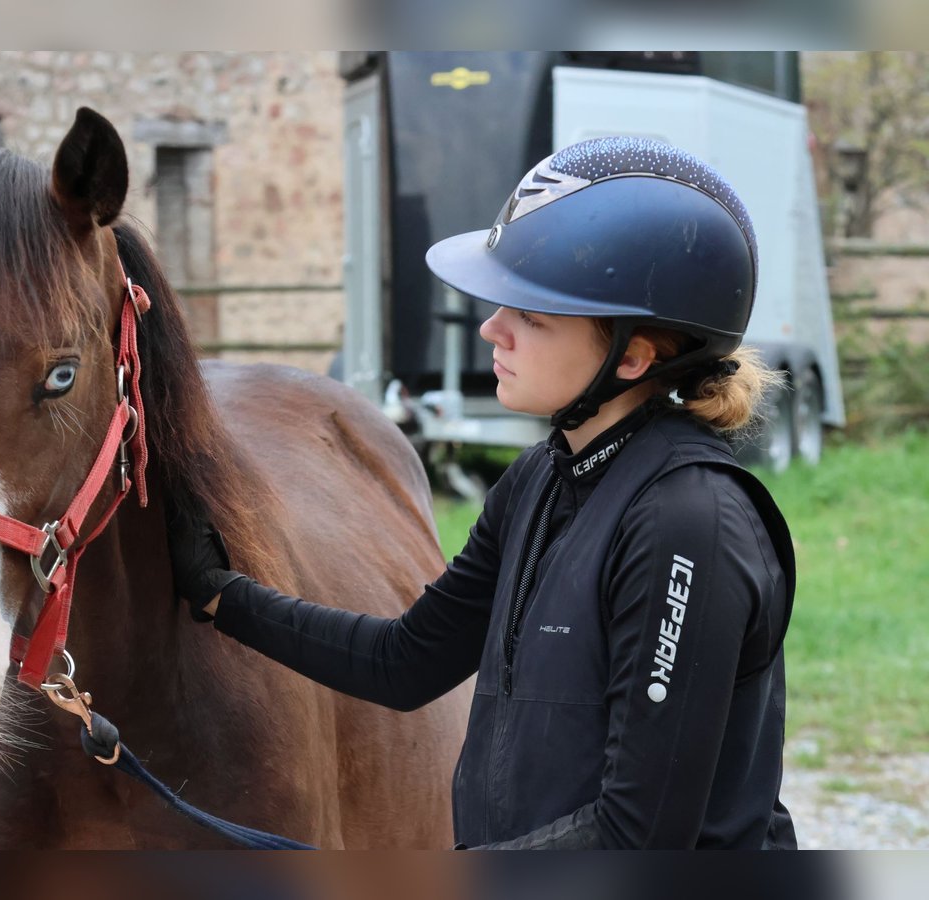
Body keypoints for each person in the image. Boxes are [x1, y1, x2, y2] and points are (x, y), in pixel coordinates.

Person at [168, 136, 798, 849]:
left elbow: (638, 834)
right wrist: (221, 595)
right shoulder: (542, 478)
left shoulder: (690, 522)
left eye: (532, 316)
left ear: (632, 355)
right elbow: (406, 662)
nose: (491, 328)